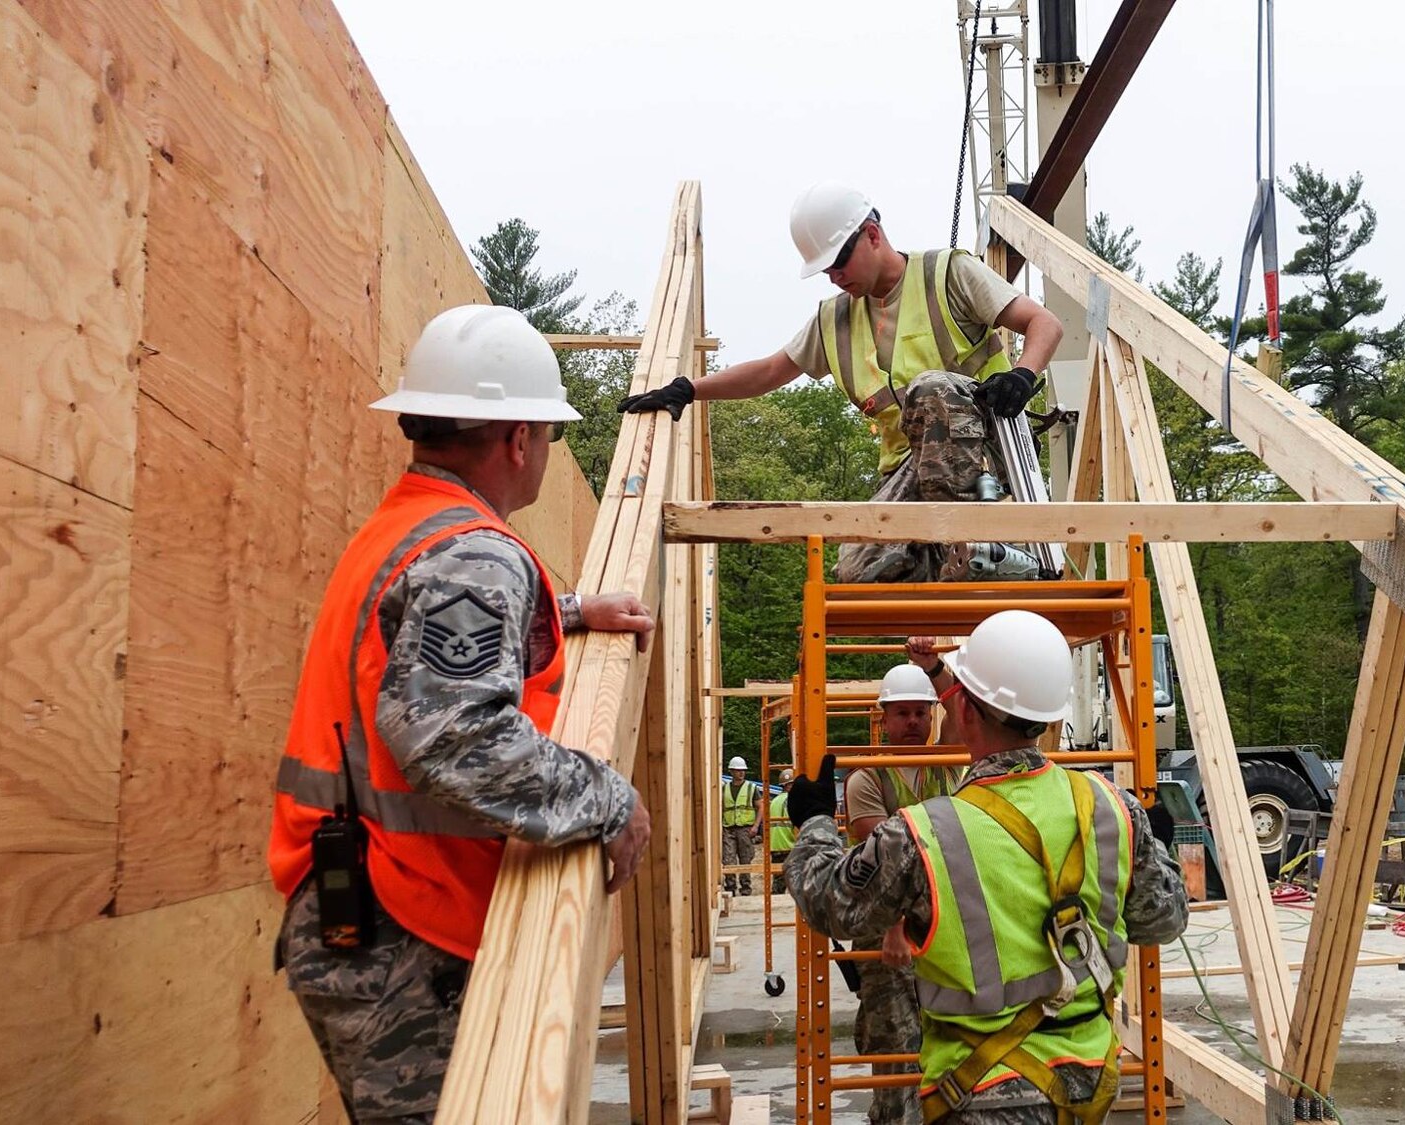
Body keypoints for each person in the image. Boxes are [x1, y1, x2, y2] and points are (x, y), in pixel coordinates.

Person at [267, 304, 656, 1123]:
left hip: (361, 914)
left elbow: (431, 636)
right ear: (519, 438)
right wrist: (607, 801)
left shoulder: (409, 526)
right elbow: (455, 732)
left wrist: (573, 610)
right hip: (401, 936)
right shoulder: (473, 552)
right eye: (547, 436)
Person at [785, 611, 1187, 1123]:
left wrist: (814, 822)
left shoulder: (922, 832)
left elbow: (829, 903)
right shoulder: (1112, 807)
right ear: (1046, 714)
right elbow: (1163, 921)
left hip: (976, 1091)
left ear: (965, 715)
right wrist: (1155, 843)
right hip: (1085, 1085)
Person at [617, 182, 1065, 584]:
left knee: (928, 389)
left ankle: (974, 541)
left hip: (987, 454)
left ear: (872, 234)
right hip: (913, 471)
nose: (833, 276)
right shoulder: (835, 320)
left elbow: (1044, 323)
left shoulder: (948, 274)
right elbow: (771, 371)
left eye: (837, 262)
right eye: (825, 270)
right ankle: (978, 560)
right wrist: (689, 389)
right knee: (857, 569)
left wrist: (1023, 373)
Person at [840, 661, 966, 1125]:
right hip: (887, 937)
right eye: (903, 714)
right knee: (895, 1053)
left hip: (941, 930)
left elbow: (958, 706)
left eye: (920, 713)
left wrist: (933, 665)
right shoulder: (867, 778)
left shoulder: (947, 764)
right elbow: (884, 865)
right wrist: (894, 930)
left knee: (950, 1048)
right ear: (885, 718)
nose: (913, 722)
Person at [722, 756, 761, 895]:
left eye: (743, 770)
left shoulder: (751, 788)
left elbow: (760, 807)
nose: (741, 773)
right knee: (728, 859)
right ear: (731, 771)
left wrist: (756, 826)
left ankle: (745, 889)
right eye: (738, 770)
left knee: (745, 859)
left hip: (745, 829)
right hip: (728, 828)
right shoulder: (724, 788)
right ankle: (730, 889)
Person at [768, 768, 797, 894]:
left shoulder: (774, 801)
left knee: (779, 879)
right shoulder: (792, 800)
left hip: (775, 845)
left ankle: (774, 902)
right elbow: (795, 823)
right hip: (789, 844)